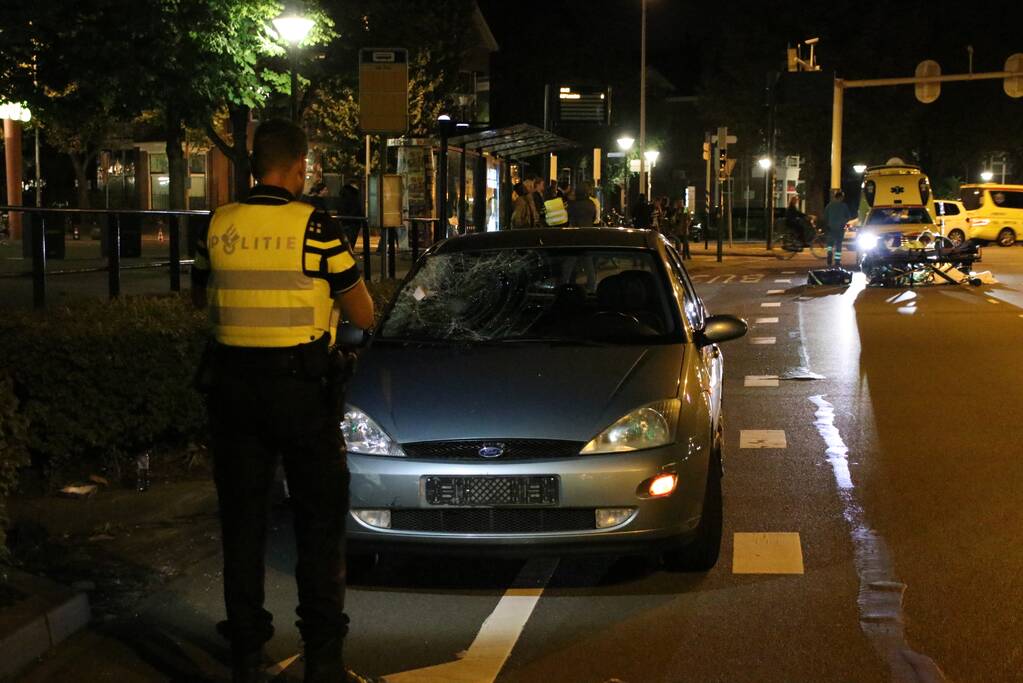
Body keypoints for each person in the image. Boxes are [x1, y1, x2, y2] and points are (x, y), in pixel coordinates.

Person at [191, 119, 376, 683]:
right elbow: (365, 313)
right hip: (300, 393)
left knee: (242, 525)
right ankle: (323, 660)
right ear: (299, 167)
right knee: (318, 526)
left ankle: (246, 652)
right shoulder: (314, 226)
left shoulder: (218, 224)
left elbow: (201, 296)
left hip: (232, 394)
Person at [824, 190, 854, 266]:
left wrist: (827, 225)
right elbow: (848, 217)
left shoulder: (829, 205)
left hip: (831, 228)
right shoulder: (844, 206)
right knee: (838, 244)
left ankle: (829, 254)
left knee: (830, 244)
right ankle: (837, 261)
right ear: (840, 197)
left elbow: (825, 217)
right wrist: (845, 225)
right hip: (840, 228)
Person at [337, 180, 363, 250]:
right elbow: (356, 207)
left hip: (344, 219)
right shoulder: (354, 194)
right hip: (353, 220)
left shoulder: (343, 192)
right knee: (351, 240)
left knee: (345, 241)